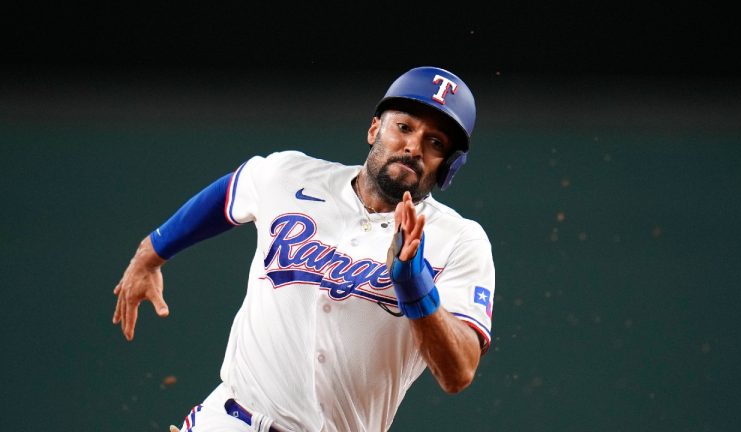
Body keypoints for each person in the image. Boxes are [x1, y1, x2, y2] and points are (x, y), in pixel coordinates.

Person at [112, 66, 496, 432]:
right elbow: (229, 193)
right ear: (374, 128)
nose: (413, 146)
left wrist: (416, 287)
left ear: (449, 165)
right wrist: (150, 254)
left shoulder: (459, 240)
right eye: (404, 127)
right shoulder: (289, 175)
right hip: (232, 418)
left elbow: (458, 373)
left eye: (435, 142)